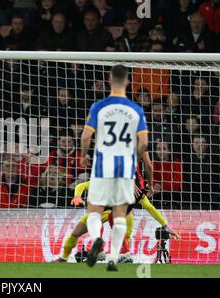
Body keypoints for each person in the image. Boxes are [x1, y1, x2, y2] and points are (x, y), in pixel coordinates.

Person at [80, 64, 149, 271]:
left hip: (103, 165)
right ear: (128, 82)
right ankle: (113, 258)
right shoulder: (136, 110)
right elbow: (144, 143)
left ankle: (96, 240)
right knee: (120, 213)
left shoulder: (98, 107)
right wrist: (132, 157)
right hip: (125, 167)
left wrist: (84, 155)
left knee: (94, 209)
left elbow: (85, 136)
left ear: (109, 80)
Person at [55, 151, 180, 263]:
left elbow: (150, 207)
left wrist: (165, 226)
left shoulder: (136, 193)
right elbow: (82, 186)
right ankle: (65, 258)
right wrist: (77, 196)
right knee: (76, 232)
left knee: (121, 220)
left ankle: (122, 253)